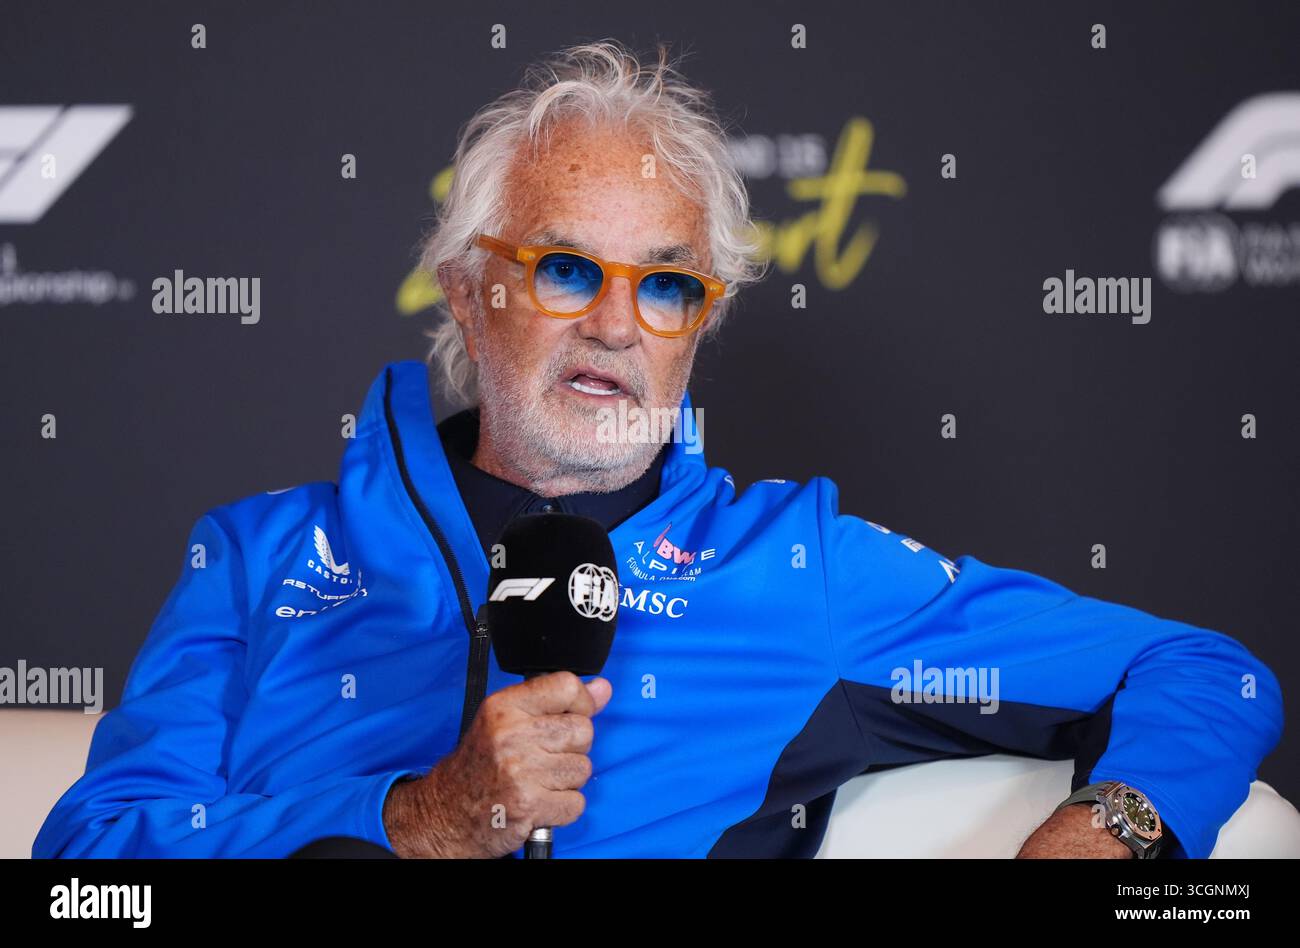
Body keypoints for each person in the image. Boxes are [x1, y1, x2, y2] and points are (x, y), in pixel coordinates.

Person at [34, 40, 1282, 860]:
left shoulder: (797, 569)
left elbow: (1207, 675)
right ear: (471, 293)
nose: (619, 324)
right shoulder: (258, 556)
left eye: (668, 286)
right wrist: (417, 819)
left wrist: (1115, 830)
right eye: (568, 268)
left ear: (703, 321)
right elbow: (89, 876)